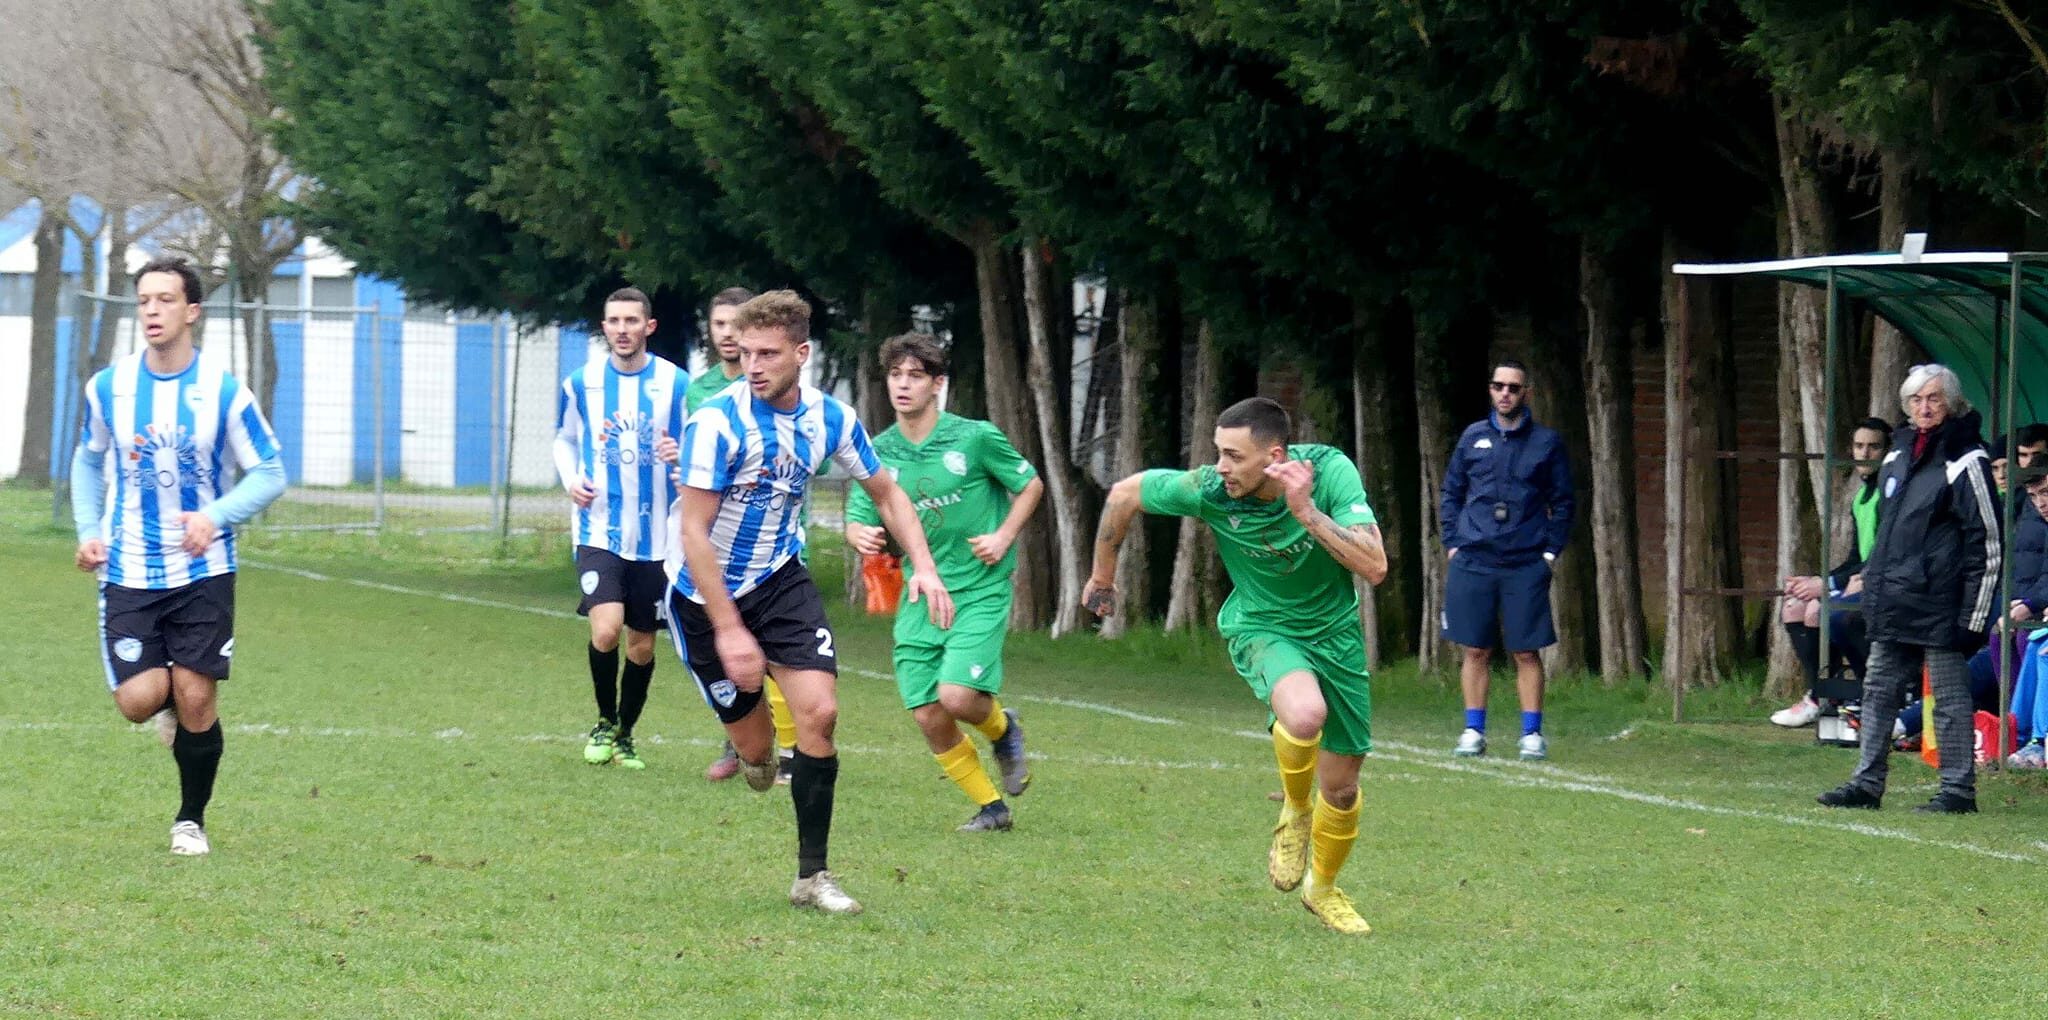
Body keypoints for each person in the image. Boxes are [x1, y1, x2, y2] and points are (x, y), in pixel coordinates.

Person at [669, 290, 954, 915]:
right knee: (755, 746)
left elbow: (887, 491)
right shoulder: (715, 423)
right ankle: (754, 752)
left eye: (768, 354)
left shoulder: (832, 418)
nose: (754, 366)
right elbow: (693, 534)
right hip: (702, 593)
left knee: (820, 715)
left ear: (802, 353)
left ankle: (811, 877)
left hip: (780, 581)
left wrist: (925, 568)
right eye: (744, 354)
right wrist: (729, 630)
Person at [1083, 397, 1389, 935]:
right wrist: (1102, 577)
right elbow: (1125, 493)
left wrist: (1306, 511)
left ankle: (1322, 889)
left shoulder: (1329, 473)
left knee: (1341, 788)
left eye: (1233, 456)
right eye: (1217, 453)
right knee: (1304, 715)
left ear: (1274, 456)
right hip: (1262, 627)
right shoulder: (1210, 490)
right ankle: (1296, 810)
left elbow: (1375, 565)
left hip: (1336, 637)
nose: (1220, 467)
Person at [72, 257, 287, 855]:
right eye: (144, 301)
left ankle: (190, 819)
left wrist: (215, 516)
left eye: (165, 300)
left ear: (192, 311)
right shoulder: (108, 387)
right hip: (129, 570)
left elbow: (270, 471)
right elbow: (88, 459)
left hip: (203, 570)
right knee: (138, 703)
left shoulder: (222, 392)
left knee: (198, 695)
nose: (151, 312)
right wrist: (89, 528)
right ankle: (163, 704)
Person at [845, 333, 1044, 832]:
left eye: (915, 376)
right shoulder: (878, 450)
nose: (903, 385)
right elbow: (857, 512)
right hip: (919, 592)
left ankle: (1002, 728)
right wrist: (859, 533)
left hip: (979, 585)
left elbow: (1030, 484)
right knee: (927, 711)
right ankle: (992, 808)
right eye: (896, 375)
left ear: (937, 384)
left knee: (957, 697)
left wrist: (1002, 536)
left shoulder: (974, 437)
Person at [1817, 364, 2002, 814]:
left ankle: (1958, 791)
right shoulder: (1897, 453)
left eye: (1934, 398)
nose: (1925, 407)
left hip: (1941, 604)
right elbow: (1886, 534)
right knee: (1878, 692)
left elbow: (1989, 542)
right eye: (1916, 399)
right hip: (1895, 599)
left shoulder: (1968, 459)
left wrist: (1972, 618)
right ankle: (1866, 784)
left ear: (1952, 403)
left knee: (1949, 701)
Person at [551, 287, 686, 770]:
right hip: (599, 530)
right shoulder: (580, 383)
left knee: (642, 644)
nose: (622, 329)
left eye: (632, 320)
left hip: (657, 540)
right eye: (614, 321)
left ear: (649, 326)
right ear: (604, 327)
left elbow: (695, 449)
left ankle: (626, 733)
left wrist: (680, 463)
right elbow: (564, 440)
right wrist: (573, 480)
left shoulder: (676, 383)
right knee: (606, 631)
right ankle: (605, 721)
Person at [693, 287, 802, 785]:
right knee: (737, 659)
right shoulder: (703, 397)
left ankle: (795, 749)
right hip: (712, 553)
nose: (733, 341)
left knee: (782, 660)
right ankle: (743, 744)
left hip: (775, 553)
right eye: (721, 327)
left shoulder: (809, 410)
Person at [1439, 359, 1574, 760]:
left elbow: (1563, 502)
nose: (1505, 394)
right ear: (1490, 390)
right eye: (1498, 386)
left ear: (1526, 393)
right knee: (1475, 649)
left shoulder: (1546, 443)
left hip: (1524, 562)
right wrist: (1453, 541)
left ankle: (1531, 734)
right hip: (1474, 558)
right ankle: (1472, 730)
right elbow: (1451, 493)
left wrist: (1549, 552)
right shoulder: (1472, 437)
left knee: (1525, 651)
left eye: (1513, 388)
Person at [1771, 418, 1889, 727]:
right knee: (1794, 606)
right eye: (1859, 446)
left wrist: (1827, 584)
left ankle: (1842, 694)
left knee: (1816, 612)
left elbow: (1886, 554)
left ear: (1887, 451)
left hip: (1883, 583)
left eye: (1874, 446)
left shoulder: (1888, 496)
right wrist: (1818, 580)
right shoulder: (1861, 498)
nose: (1865, 453)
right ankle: (1820, 694)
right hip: (1860, 577)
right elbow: (1856, 556)